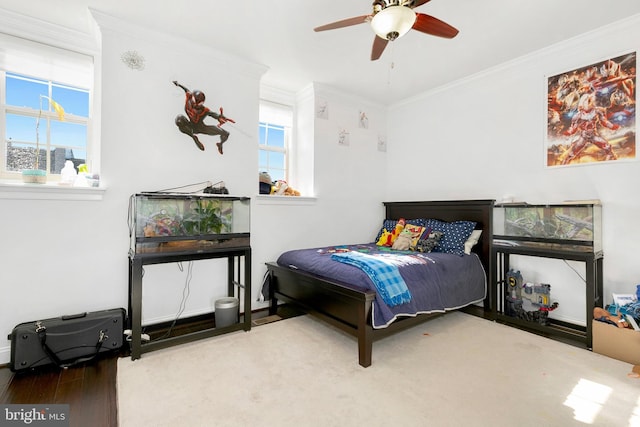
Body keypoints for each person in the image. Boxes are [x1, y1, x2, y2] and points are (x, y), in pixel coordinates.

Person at [173, 81, 235, 154]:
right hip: (191, 126)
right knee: (179, 119)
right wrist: (178, 84)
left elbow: (213, 114)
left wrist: (220, 117)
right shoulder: (189, 97)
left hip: (202, 128)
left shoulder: (203, 110)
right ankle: (193, 136)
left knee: (226, 133)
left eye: (199, 104)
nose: (195, 105)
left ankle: (220, 144)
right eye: (195, 101)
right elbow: (186, 89)